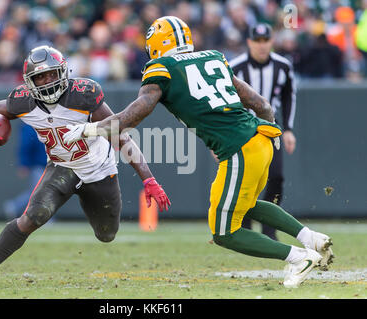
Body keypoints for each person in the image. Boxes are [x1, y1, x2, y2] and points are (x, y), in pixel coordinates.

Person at [63, 16, 334, 288]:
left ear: (158, 43)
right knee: (245, 205)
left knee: (224, 232)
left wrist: (89, 129)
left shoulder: (162, 67)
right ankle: (309, 238)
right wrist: (272, 133)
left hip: (238, 148)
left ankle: (298, 257)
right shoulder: (213, 58)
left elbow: (131, 118)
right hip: (260, 139)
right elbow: (260, 103)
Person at [0, 45, 171, 286]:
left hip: (100, 172)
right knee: (33, 216)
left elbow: (121, 135)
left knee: (106, 234)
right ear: (29, 82)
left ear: (64, 72)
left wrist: (148, 178)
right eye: (40, 77)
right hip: (62, 168)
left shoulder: (83, 95)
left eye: (52, 74)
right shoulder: (23, 101)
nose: (47, 81)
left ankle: (88, 199)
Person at [229, 23, 296, 241]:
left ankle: (269, 226)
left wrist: (289, 129)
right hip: (244, 131)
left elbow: (288, 97)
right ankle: (244, 224)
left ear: (271, 42)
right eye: (256, 41)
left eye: (264, 41)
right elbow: (227, 101)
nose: (261, 46)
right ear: (249, 42)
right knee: (246, 180)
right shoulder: (236, 67)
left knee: (276, 176)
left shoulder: (283, 66)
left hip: (271, 130)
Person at [2, 122, 46, 220]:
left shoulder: (46, 121)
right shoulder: (30, 124)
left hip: (49, 163)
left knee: (40, 192)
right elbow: (25, 146)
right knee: (41, 193)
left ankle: (14, 205)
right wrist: (23, 164)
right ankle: (44, 218)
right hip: (38, 164)